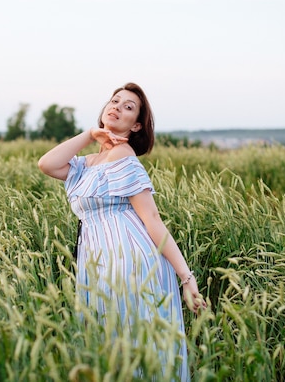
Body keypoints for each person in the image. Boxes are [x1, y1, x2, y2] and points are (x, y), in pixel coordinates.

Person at [38, 82, 205, 379]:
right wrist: (90, 134)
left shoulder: (123, 157)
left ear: (136, 125)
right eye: (114, 101)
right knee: (109, 350)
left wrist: (186, 277)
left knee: (134, 350)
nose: (117, 107)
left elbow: (152, 219)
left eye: (128, 107)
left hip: (130, 264)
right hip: (98, 264)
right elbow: (47, 164)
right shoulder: (86, 163)